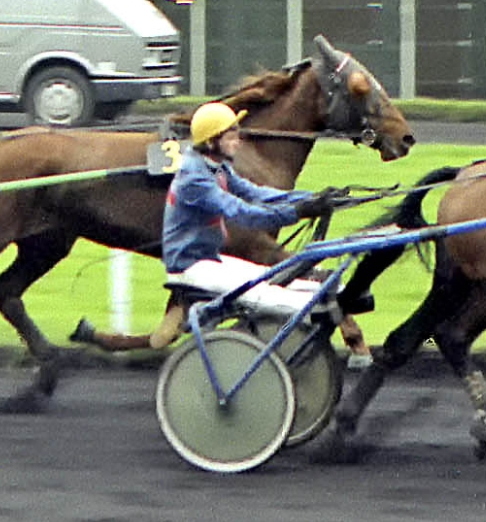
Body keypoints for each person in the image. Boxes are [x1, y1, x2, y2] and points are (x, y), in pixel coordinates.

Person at [71, 101, 335, 351]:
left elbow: (259, 193)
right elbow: (243, 213)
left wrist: (312, 198)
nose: (238, 140)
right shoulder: (194, 178)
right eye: (231, 135)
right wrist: (296, 213)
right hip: (192, 268)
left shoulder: (218, 168)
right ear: (211, 141)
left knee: (285, 281)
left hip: (211, 260)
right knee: (286, 300)